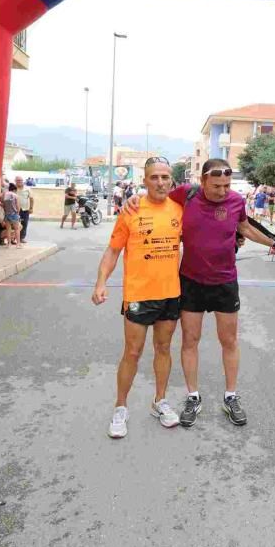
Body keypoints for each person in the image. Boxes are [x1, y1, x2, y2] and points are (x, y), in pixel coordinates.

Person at [124, 158, 275, 428]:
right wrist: (133, 198)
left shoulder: (237, 201)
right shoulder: (187, 194)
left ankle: (231, 397)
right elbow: (156, 194)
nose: (222, 191)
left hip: (225, 282)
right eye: (216, 186)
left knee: (229, 341)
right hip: (191, 282)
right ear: (202, 181)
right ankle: (193, 397)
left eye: (226, 185)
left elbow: (246, 227)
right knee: (190, 341)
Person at [92, 158, 183, 436]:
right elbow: (113, 251)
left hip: (170, 293)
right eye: (154, 177)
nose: (160, 182)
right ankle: (121, 407)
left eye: (165, 177)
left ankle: (160, 401)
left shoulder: (180, 209)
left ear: (171, 180)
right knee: (132, 352)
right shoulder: (131, 210)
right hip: (139, 294)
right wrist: (100, 282)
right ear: (144, 180)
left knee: (164, 349)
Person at [2, 182, 22, 248]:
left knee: (8, 229)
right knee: (17, 229)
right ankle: (18, 244)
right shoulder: (16, 196)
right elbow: (18, 206)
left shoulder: (4, 195)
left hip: (7, 214)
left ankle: (9, 244)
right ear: (14, 189)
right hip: (14, 214)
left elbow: (3, 204)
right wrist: (18, 213)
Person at [15, 175, 34, 243]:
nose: (19, 182)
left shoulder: (27, 189)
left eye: (20, 180)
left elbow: (31, 199)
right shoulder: (13, 189)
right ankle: (14, 239)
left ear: (23, 181)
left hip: (25, 209)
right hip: (15, 210)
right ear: (15, 182)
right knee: (16, 224)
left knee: (24, 224)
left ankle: (22, 238)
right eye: (18, 181)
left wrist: (31, 208)